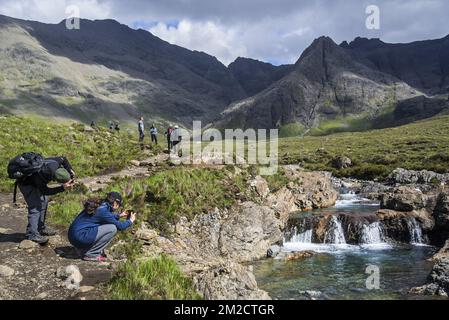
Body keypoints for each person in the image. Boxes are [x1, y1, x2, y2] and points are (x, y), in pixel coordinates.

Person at [17, 156, 75, 244]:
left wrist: (70, 170)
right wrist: (62, 188)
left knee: (44, 201)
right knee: (35, 207)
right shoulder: (44, 175)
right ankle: (32, 234)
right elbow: (46, 191)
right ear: (54, 178)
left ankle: (41, 228)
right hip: (26, 184)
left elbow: (64, 158)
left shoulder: (56, 163)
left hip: (34, 180)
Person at [68, 192, 136, 262]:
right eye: (119, 205)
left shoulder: (98, 205)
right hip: (79, 238)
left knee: (104, 225)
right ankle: (91, 254)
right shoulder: (103, 211)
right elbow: (120, 226)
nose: (118, 207)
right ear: (115, 203)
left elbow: (105, 217)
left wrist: (119, 215)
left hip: (73, 237)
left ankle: (83, 249)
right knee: (112, 228)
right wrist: (130, 221)